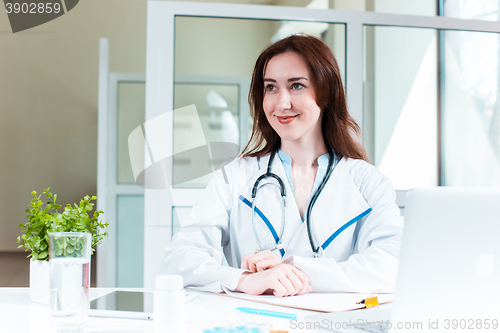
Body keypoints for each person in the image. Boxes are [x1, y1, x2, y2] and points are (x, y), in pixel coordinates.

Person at [160, 34, 403, 298]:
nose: (281, 103)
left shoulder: (367, 182)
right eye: (271, 88)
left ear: (325, 94)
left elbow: (393, 267)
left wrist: (290, 270)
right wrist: (243, 279)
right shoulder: (236, 176)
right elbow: (179, 261)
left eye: (296, 86)